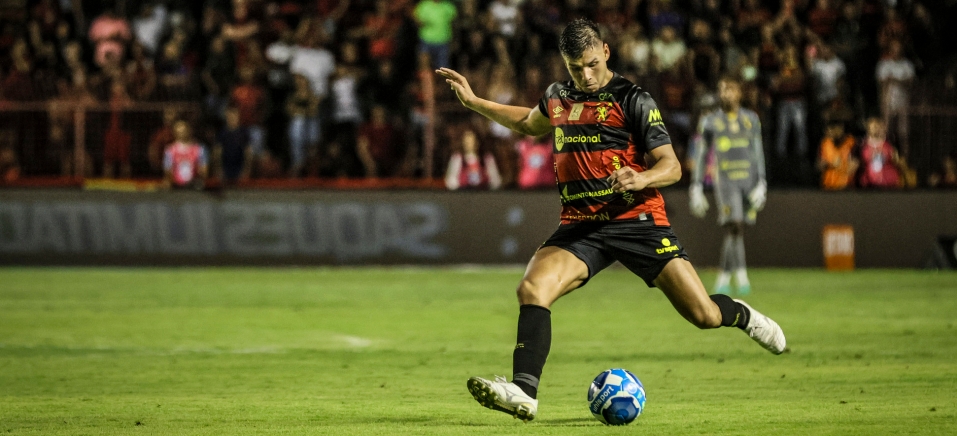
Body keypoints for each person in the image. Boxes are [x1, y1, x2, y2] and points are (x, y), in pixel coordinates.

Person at [436, 19, 785, 422]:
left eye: (589, 64)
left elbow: (671, 166)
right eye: (573, 68)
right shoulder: (557, 97)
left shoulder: (633, 99)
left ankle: (744, 315)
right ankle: (524, 391)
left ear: (605, 51)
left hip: (636, 219)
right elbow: (527, 123)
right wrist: (475, 102)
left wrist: (642, 177)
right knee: (532, 288)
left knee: (703, 315)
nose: (584, 76)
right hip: (582, 224)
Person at [689, 76, 767, 296]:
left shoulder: (751, 119)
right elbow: (702, 154)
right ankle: (741, 275)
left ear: (739, 93)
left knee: (737, 230)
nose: (725, 94)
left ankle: (724, 277)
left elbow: (757, 151)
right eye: (722, 90)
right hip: (725, 181)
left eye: (730, 90)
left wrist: (762, 181)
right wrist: (696, 186)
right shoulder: (710, 121)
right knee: (734, 225)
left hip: (748, 180)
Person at [163, 121, 208, 190]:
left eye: (184, 131)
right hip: (176, 187)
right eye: (179, 131)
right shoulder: (170, 150)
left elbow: (204, 170)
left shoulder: (199, 149)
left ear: (190, 130)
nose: (181, 133)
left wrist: (199, 173)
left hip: (195, 186)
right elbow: (168, 171)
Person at [858, 117, 901, 189]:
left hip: (889, 183)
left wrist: (895, 159)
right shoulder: (861, 145)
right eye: (874, 127)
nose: (877, 129)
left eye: (879, 126)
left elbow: (899, 162)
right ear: (868, 128)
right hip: (869, 184)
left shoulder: (891, 143)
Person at [818, 120, 858, 190]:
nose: (833, 133)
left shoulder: (851, 143)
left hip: (846, 187)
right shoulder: (825, 143)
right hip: (828, 186)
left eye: (836, 129)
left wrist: (841, 165)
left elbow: (854, 165)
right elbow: (820, 165)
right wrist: (830, 164)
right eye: (830, 130)